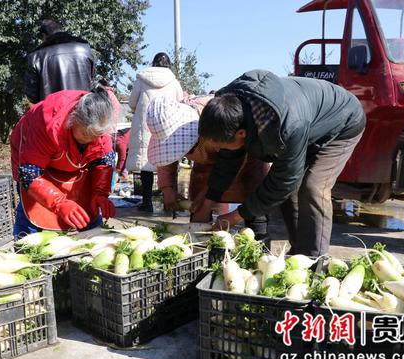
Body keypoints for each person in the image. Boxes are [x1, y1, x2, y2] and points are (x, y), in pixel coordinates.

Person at [196, 70, 366, 256]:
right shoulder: (229, 108)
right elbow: (228, 160)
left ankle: (314, 260)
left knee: (313, 187)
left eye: (222, 145)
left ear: (242, 133)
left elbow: (283, 181)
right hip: (307, 124)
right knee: (289, 193)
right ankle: (299, 253)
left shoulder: (286, 125)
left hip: (343, 121)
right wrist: (207, 204)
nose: (220, 149)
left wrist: (237, 215)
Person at [146, 96, 271, 245]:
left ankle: (260, 246)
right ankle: (201, 250)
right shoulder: (165, 127)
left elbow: (230, 162)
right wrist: (167, 188)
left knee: (254, 211)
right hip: (205, 170)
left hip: (245, 162)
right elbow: (166, 159)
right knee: (199, 212)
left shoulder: (217, 115)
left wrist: (208, 195)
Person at [10, 86, 116, 237]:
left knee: (89, 213)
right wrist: (59, 203)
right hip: (37, 165)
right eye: (87, 134)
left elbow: (103, 161)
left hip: (75, 166)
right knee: (33, 213)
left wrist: (100, 193)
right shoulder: (44, 121)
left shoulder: (99, 126)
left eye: (97, 135)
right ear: (73, 119)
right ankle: (24, 240)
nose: (92, 139)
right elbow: (29, 174)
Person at [126, 52, 183, 212]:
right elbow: (180, 102)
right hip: (167, 126)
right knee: (168, 163)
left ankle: (147, 202)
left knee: (146, 164)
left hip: (146, 126)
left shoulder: (141, 79)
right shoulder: (174, 82)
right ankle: (169, 202)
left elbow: (131, 103)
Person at [24, 19, 94, 103]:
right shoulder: (85, 48)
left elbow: (32, 95)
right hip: (83, 111)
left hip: (53, 113)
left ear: (44, 35)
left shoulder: (36, 56)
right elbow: (91, 80)